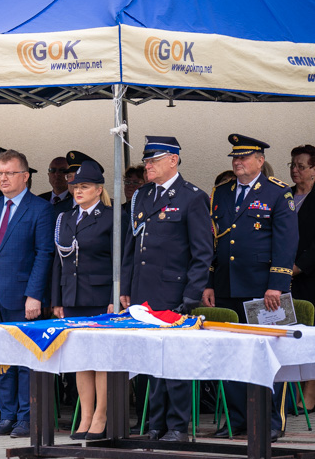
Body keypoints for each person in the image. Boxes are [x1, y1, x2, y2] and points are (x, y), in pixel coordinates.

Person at [203, 134, 298, 442]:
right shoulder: (222, 191)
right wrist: (209, 281)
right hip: (228, 285)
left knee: (270, 356)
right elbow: (215, 241)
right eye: (235, 158)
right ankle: (238, 419)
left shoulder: (277, 193)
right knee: (230, 354)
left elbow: (286, 242)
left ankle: (272, 421)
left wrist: (278, 286)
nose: (238, 162)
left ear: (260, 161)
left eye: (244, 157)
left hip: (264, 290)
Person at [121, 136, 213, 442]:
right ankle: (155, 424)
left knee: (173, 364)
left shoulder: (191, 197)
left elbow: (202, 253)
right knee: (149, 364)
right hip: (143, 292)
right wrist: (126, 285)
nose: (147, 166)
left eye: (153, 160)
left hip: (173, 293)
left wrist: (191, 295)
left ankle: (177, 427)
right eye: (146, 161)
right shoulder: (143, 195)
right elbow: (132, 245)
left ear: (172, 160)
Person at [0, 149, 53, 438]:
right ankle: (7, 416)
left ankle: (27, 418)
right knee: (0, 360)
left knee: (26, 361)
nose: (3, 178)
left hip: (22, 297)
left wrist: (35, 295)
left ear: (25, 176)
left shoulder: (40, 209)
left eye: (9, 173)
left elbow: (44, 255)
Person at [50, 157, 116, 440]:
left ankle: (102, 415)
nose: (77, 191)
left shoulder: (112, 217)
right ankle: (85, 415)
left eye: (85, 187)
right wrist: (57, 299)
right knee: (81, 360)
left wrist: (116, 297)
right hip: (73, 296)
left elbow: (119, 263)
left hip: (101, 297)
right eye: (75, 186)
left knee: (101, 360)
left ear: (99, 189)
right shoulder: (64, 217)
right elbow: (58, 262)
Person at [289, 144, 315, 411]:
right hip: (283, 277)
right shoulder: (284, 196)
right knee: (290, 333)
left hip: (308, 277)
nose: (295, 170)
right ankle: (290, 391)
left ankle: (310, 391)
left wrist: (299, 266)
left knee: (310, 335)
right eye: (293, 165)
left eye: (301, 166)